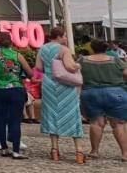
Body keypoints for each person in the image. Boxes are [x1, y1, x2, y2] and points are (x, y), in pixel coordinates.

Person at [35, 27, 86, 163]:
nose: (66, 38)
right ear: (58, 37)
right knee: (72, 114)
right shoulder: (64, 49)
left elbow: (39, 68)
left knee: (52, 114)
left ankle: (54, 149)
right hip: (65, 85)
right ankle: (79, 151)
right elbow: (69, 67)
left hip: (49, 84)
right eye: (64, 36)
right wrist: (78, 65)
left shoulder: (42, 49)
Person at [79, 38, 127, 160]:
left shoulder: (83, 60)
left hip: (91, 92)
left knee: (96, 123)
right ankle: (125, 153)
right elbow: (126, 72)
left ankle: (94, 151)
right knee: (118, 125)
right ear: (106, 48)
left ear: (92, 48)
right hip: (116, 92)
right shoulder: (115, 59)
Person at [0, 31, 32, 159]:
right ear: (11, 42)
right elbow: (30, 73)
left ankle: (3, 148)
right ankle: (16, 150)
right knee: (15, 120)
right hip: (16, 89)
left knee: (1, 118)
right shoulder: (17, 55)